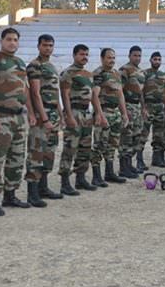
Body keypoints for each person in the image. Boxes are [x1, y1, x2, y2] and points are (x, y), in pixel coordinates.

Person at [0, 27, 36, 217]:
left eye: (15, 40)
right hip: (1, 118)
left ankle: (10, 195)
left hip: (19, 117)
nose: (12, 43)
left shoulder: (20, 63)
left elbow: (25, 90)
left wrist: (30, 112)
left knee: (17, 159)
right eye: (9, 39)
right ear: (2, 41)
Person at [24, 34, 63, 207]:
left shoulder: (51, 66)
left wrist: (60, 114)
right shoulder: (34, 66)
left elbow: (55, 93)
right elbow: (35, 93)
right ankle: (32, 193)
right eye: (45, 45)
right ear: (38, 46)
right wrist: (44, 117)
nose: (48, 48)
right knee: (36, 153)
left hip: (53, 113)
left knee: (49, 153)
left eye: (51, 45)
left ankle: (43, 187)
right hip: (42, 115)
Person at [59, 44, 104, 192]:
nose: (84, 57)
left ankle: (80, 178)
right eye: (81, 54)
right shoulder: (68, 73)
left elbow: (93, 96)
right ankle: (65, 182)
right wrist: (69, 116)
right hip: (75, 112)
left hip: (86, 114)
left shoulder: (88, 74)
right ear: (74, 55)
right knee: (70, 148)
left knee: (85, 147)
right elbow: (65, 95)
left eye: (86, 54)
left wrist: (98, 113)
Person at [91, 48, 129, 184]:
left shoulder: (116, 73)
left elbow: (120, 94)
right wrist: (100, 115)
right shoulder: (98, 73)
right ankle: (96, 176)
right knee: (100, 144)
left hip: (115, 113)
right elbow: (94, 95)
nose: (112, 60)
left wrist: (124, 113)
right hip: (104, 112)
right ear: (102, 59)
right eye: (109, 58)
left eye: (113, 58)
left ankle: (109, 173)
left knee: (113, 144)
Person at [119, 46, 146, 174]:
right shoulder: (125, 70)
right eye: (135, 55)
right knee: (126, 138)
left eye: (139, 56)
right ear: (129, 56)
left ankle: (129, 165)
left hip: (137, 107)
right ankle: (123, 167)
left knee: (136, 137)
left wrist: (143, 108)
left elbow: (141, 92)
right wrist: (124, 111)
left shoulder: (141, 72)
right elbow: (120, 91)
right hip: (128, 106)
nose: (137, 58)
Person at [141, 51, 165, 167]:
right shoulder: (145, 74)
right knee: (143, 133)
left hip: (159, 107)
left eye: (159, 59)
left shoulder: (163, 75)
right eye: (155, 59)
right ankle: (139, 159)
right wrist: (143, 108)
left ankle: (157, 158)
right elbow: (141, 91)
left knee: (159, 134)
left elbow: (164, 92)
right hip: (148, 106)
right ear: (150, 60)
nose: (157, 61)